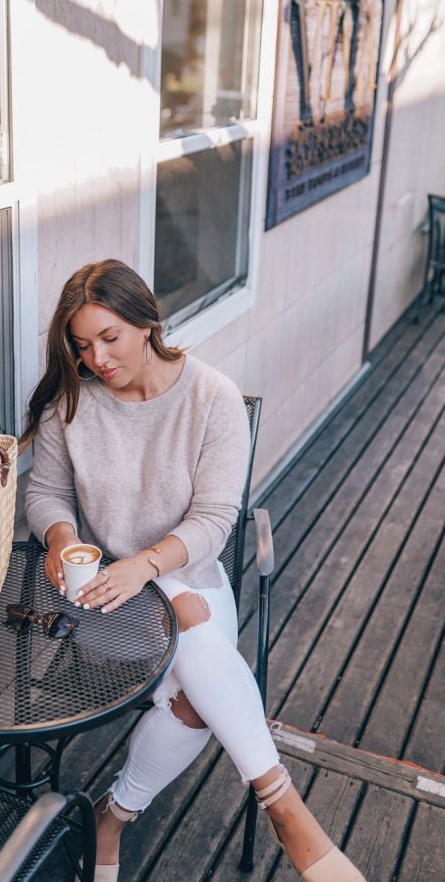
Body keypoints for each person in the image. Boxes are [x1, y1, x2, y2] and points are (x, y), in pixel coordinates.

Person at [22, 259, 365, 882]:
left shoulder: (212, 398)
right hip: (103, 595)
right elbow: (45, 493)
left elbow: (214, 520)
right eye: (81, 345)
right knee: (203, 655)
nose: (96, 358)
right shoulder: (70, 405)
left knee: (197, 667)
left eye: (109, 338)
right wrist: (62, 534)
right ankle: (285, 807)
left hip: (190, 578)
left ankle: (113, 818)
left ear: (147, 323)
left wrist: (149, 568)